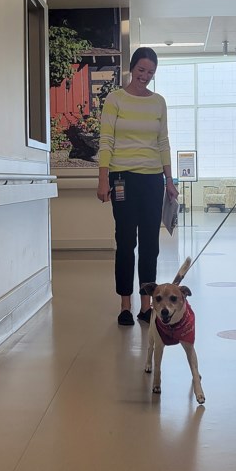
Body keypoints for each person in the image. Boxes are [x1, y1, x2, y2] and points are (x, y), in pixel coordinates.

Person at [97, 47, 180, 326]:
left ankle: (147, 305)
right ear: (132, 68)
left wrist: (169, 180)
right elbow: (106, 140)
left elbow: (163, 142)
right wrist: (103, 178)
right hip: (122, 178)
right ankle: (124, 304)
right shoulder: (115, 99)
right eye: (141, 70)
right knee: (125, 242)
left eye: (150, 72)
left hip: (152, 179)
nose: (145, 76)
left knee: (150, 245)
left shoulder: (158, 102)